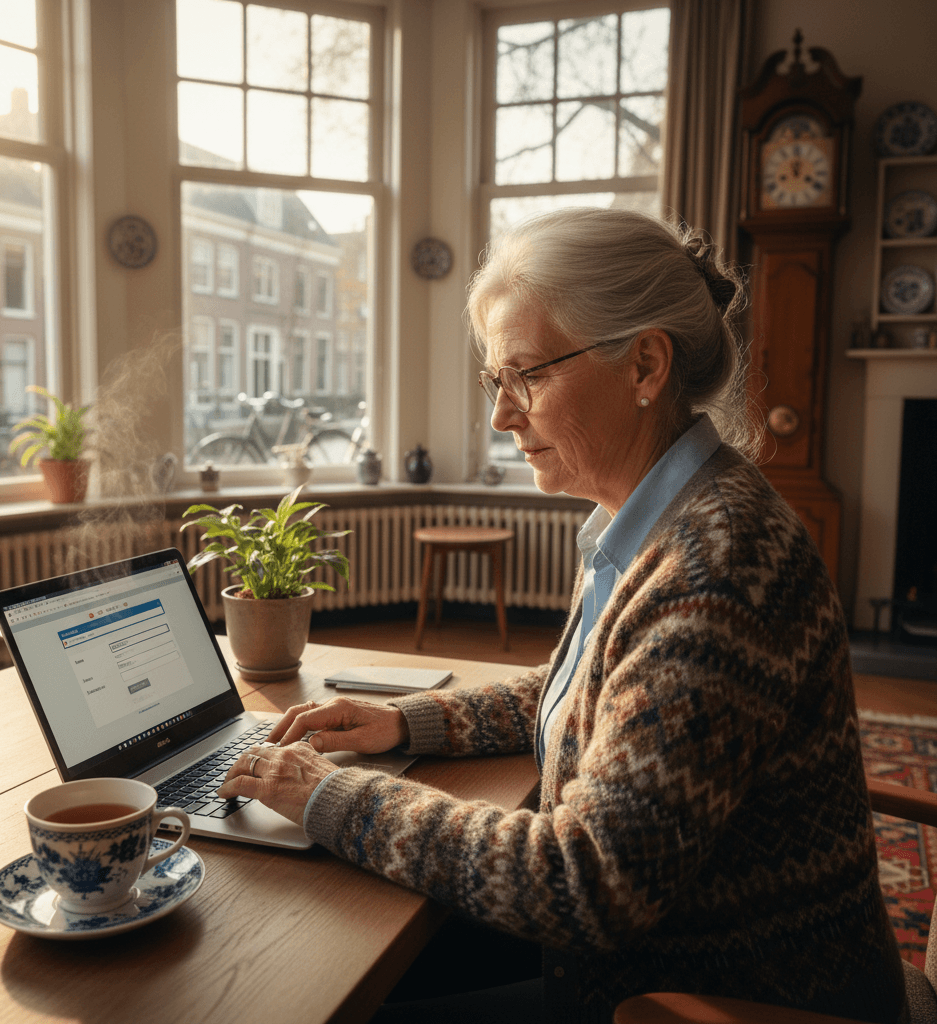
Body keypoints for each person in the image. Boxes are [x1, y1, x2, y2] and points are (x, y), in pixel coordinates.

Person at [219, 208, 906, 1024]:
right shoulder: (664, 515)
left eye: (528, 376)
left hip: (719, 998)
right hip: (649, 955)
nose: (504, 416)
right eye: (494, 381)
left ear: (645, 364)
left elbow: (583, 883)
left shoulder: (716, 569)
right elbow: (587, 692)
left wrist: (334, 796)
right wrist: (400, 724)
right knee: (323, 958)